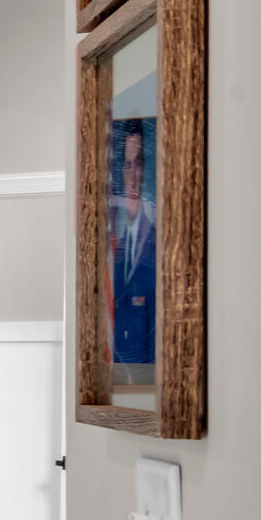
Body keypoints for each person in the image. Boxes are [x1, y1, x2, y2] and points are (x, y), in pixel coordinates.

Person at [107, 121, 159, 365]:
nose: (133, 177)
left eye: (138, 163)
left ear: (146, 168)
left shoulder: (155, 245)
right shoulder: (116, 246)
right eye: (127, 165)